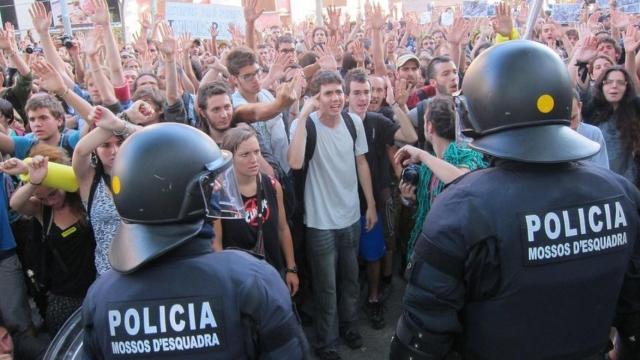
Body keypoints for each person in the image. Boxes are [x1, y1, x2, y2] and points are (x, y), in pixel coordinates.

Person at [390, 40, 640, 359]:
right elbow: (633, 320)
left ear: (471, 115)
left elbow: (419, 344)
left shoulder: (461, 208)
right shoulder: (622, 195)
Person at [81, 123, 309, 359]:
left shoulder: (100, 297)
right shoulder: (252, 280)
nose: (219, 188)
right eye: (212, 184)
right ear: (189, 196)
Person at [7, 144, 96, 336]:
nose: (50, 200)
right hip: (64, 296)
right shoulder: (42, 210)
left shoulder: (85, 196)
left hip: (96, 287)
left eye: (53, 193)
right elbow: (15, 203)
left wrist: (50, 173)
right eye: (43, 197)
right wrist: (33, 181)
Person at [213, 126, 299, 296]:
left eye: (257, 152)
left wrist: (291, 268)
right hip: (239, 280)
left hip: (273, 273)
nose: (254, 159)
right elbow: (217, 245)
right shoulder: (220, 194)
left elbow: (282, 228)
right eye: (245, 155)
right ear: (230, 158)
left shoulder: (273, 186)